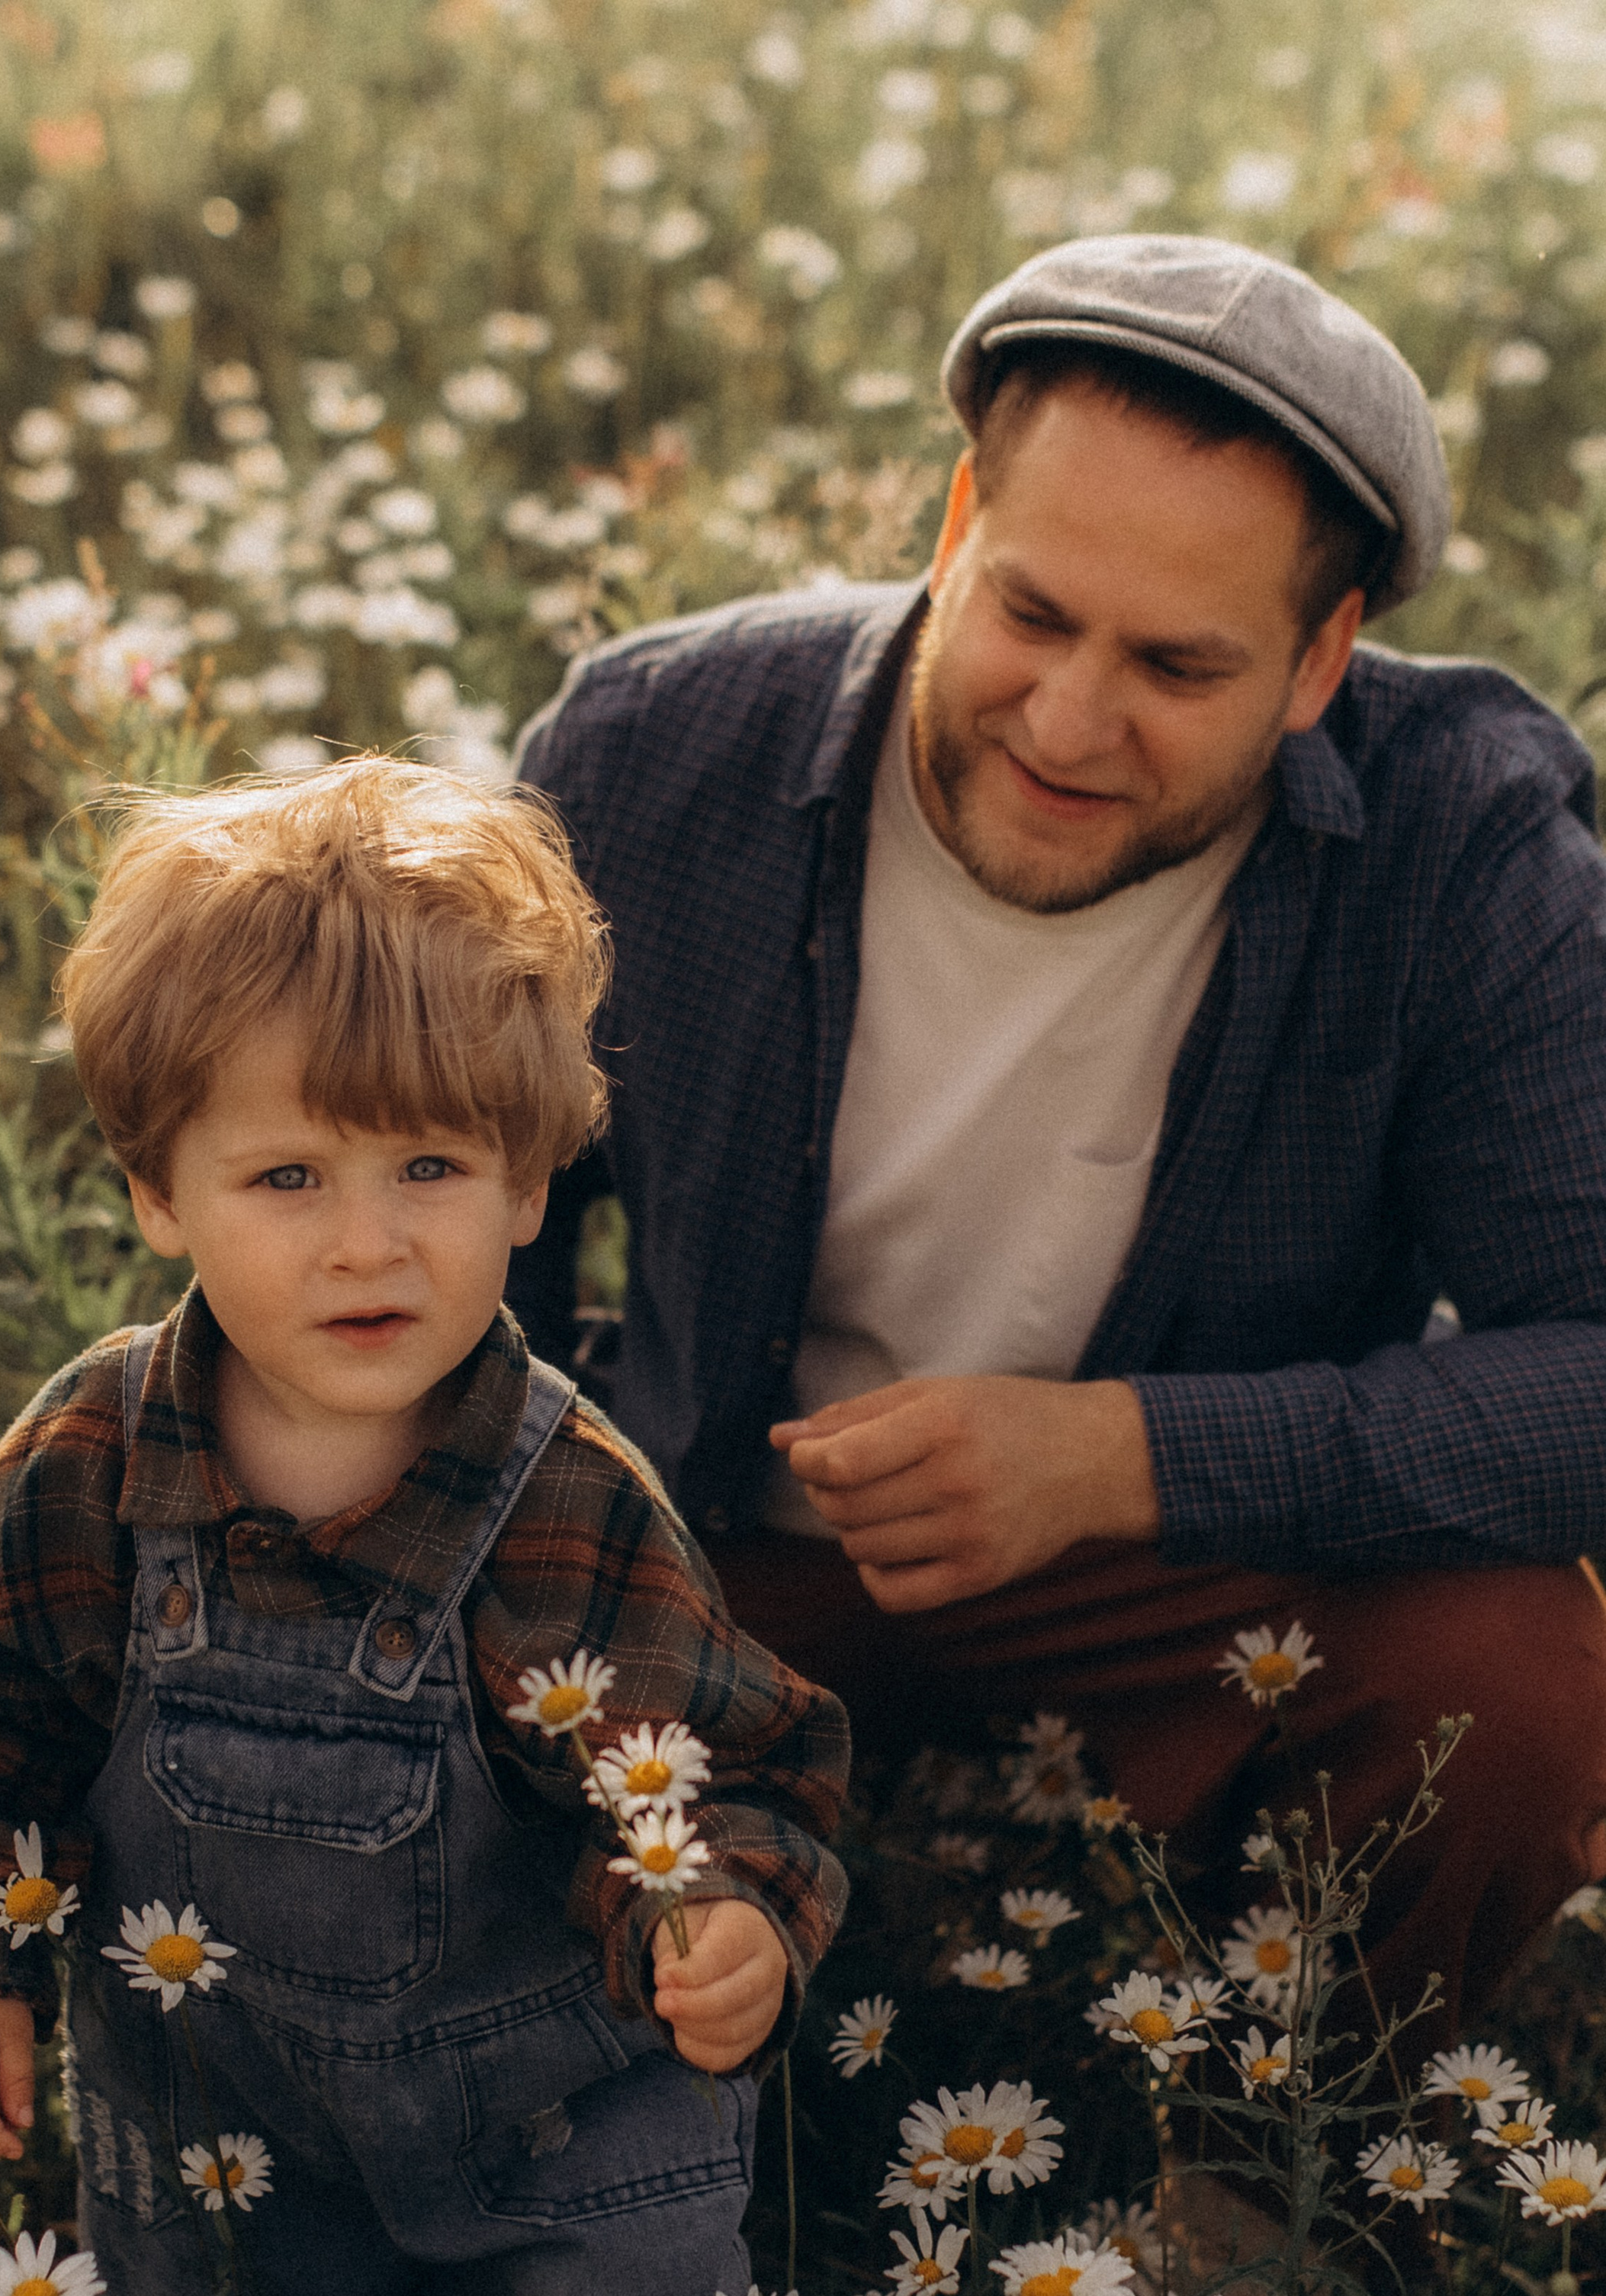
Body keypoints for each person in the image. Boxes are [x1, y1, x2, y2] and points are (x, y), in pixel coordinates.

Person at [511, 233, 1606, 2041]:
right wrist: (536, 1613)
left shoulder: (1457, 851)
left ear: (1322, 656)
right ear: (954, 523)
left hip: (1174, 1581)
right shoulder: (650, 748)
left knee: (1520, 1677)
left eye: (1177, 665)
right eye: (1028, 613)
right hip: (713, 1544)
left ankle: (1288, 2153)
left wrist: (1121, 1459)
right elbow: (482, 1237)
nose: (1068, 721)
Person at [0, 756, 849, 2296]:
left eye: (430, 1168)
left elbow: (720, 1764)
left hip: (553, 2121)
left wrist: (728, 1916)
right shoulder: (91, 1460)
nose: (364, 1244)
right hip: (218, 2109)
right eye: (286, 1178)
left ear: (531, 1185)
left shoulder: (572, 1497)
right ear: (160, 1190)